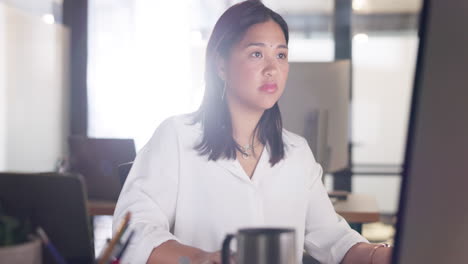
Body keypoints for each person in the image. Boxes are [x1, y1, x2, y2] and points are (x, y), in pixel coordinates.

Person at [112, 1, 392, 263]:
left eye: (281, 55)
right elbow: (134, 231)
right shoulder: (176, 136)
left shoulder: (297, 153)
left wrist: (385, 254)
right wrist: (203, 259)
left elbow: (334, 239)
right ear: (221, 65)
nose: (273, 68)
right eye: (256, 53)